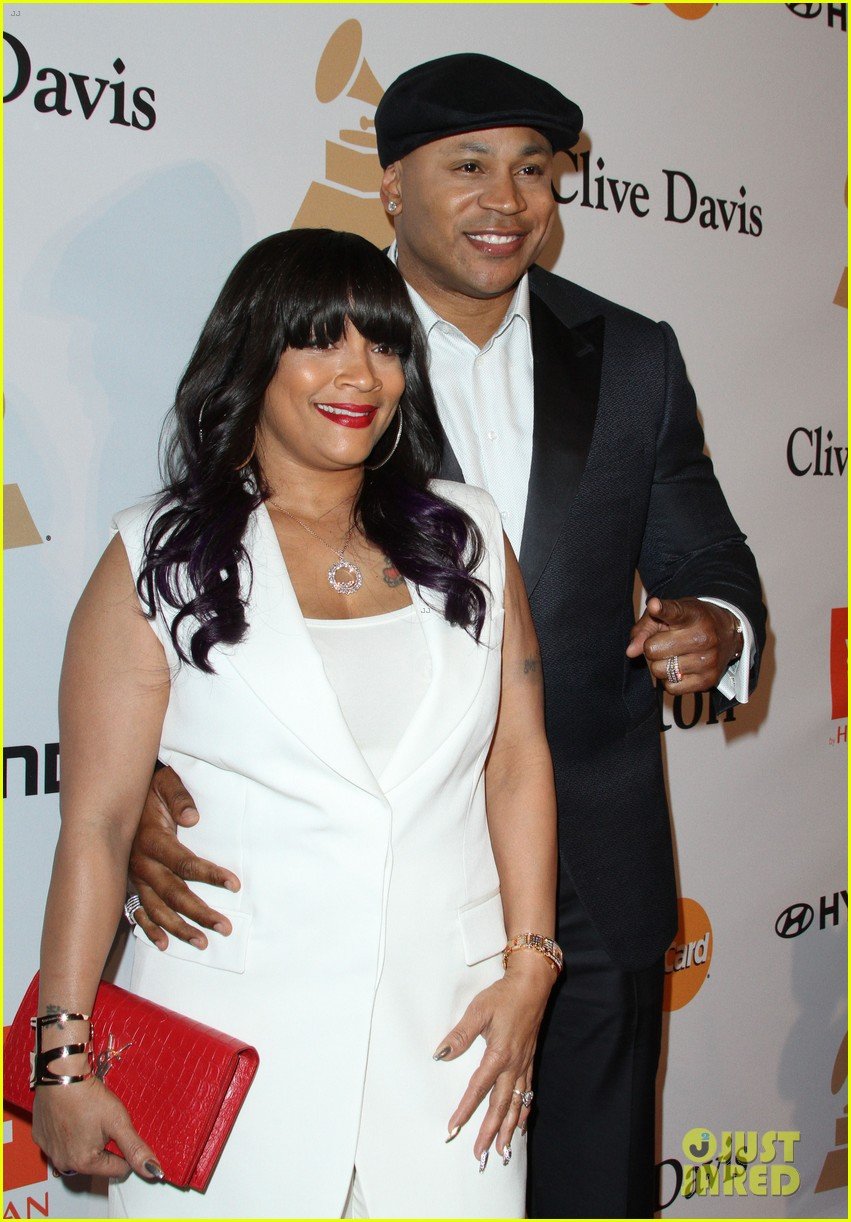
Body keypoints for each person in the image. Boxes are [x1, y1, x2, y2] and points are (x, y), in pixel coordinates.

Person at [127, 57, 767, 1219]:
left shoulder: (632, 352)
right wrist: (147, 782)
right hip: (381, 871)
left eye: (532, 169)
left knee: (591, 1190)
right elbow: (201, 580)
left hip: (594, 861)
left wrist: (714, 623)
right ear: (389, 186)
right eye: (467, 166)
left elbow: (705, 547)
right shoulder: (317, 338)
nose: (505, 199)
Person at [30, 228, 562, 1219]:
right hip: (231, 1050)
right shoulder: (155, 557)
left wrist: (529, 965)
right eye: (320, 340)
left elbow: (516, 762)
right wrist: (61, 1059)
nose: (360, 372)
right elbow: (97, 826)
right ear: (252, 356)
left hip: (453, 1041)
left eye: (384, 344)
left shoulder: (471, 536)